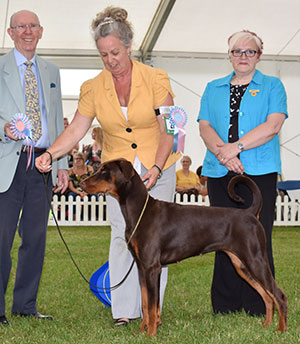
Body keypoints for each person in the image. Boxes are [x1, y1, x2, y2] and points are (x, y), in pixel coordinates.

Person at [35, 6, 180, 327]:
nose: (110, 60)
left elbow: (170, 130)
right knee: (121, 236)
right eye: (103, 55)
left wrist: (156, 168)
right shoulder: (93, 86)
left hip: (158, 164)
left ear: (129, 47)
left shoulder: (156, 78)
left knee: (156, 239)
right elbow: (76, 128)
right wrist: (51, 152)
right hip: (119, 176)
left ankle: (151, 311)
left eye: (115, 52)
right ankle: (124, 311)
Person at [198, 30, 287, 316]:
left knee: (256, 238)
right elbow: (205, 126)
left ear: (259, 55)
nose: (243, 56)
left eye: (249, 51)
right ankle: (225, 305)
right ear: (229, 55)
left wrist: (235, 148)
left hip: (258, 172)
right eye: (237, 51)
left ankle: (258, 303)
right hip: (219, 172)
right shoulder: (213, 87)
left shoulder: (273, 86)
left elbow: (273, 125)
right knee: (221, 238)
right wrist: (223, 155)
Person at [0, 10, 69, 326]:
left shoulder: (51, 70)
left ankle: (25, 306)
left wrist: (62, 163)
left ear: (41, 31)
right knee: (1, 239)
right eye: (20, 27)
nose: (27, 31)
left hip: (43, 163)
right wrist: (4, 129)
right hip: (7, 162)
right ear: (10, 33)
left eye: (32, 26)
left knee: (35, 239)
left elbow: (56, 120)